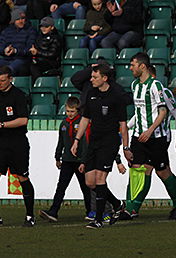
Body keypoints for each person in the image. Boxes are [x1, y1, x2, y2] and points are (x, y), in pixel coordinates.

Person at [117, 52, 176, 222]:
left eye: (133, 65)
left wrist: (155, 132)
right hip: (139, 136)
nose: (130, 68)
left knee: (162, 172)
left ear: (142, 66)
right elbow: (139, 113)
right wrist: (128, 130)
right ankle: (131, 208)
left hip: (157, 137)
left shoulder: (157, 87)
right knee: (138, 170)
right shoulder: (135, 85)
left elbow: (166, 112)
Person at [70, 64, 131, 229]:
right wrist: (77, 140)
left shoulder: (116, 97)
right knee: (90, 182)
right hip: (94, 142)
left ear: (104, 78)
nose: (91, 80)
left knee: (100, 179)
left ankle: (99, 219)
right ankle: (117, 204)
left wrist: (125, 147)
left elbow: (123, 125)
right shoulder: (91, 94)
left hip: (109, 142)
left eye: (94, 77)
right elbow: (85, 119)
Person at [39, 97, 91, 222]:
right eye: (68, 111)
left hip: (79, 161)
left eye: (72, 111)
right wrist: (58, 157)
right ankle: (53, 211)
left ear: (78, 110)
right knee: (61, 186)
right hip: (67, 160)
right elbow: (61, 142)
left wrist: (84, 161)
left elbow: (85, 144)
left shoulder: (82, 123)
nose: (70, 114)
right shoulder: (64, 124)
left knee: (85, 187)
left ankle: (90, 211)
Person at [0, 65, 36, 227]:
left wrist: (2, 125)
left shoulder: (19, 96)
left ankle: (29, 216)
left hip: (17, 143)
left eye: (2, 80)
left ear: (10, 79)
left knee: (22, 177)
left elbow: (23, 120)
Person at [0, 9, 37, 76]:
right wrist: (4, 50)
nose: (21, 21)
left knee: (8, 70)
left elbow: (30, 49)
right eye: (18, 19)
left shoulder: (31, 31)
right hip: (6, 58)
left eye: (23, 18)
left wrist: (16, 51)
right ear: (13, 21)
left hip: (22, 59)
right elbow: (1, 46)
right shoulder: (6, 31)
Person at [29, 16, 62, 83]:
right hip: (38, 60)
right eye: (42, 26)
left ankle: (39, 86)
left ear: (52, 27)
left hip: (51, 62)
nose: (43, 28)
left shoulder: (56, 38)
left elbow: (53, 54)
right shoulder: (39, 36)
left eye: (46, 27)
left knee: (34, 67)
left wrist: (37, 52)